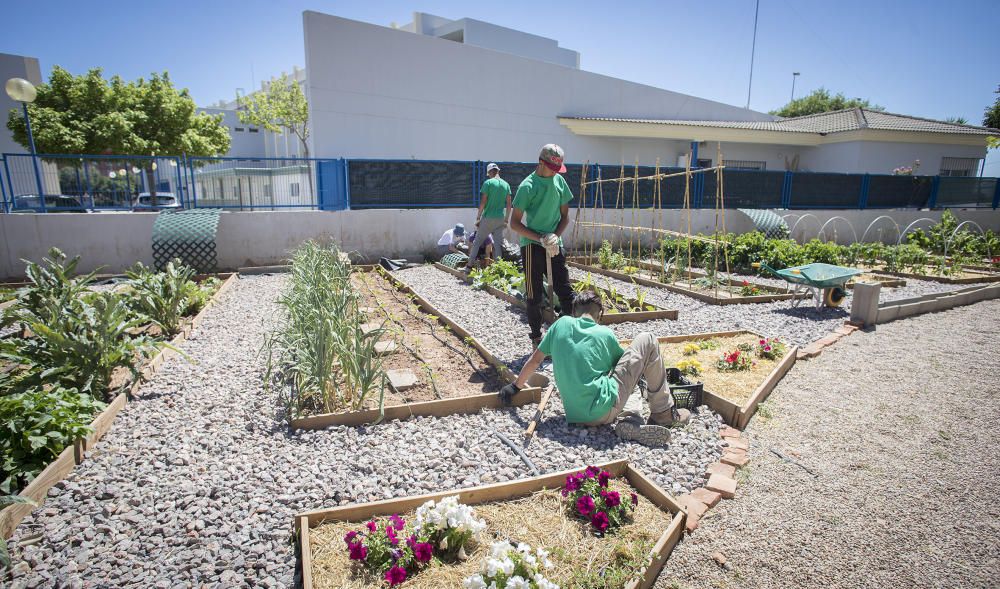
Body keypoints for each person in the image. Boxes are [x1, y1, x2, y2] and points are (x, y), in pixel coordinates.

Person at [498, 291, 691, 447]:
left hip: (575, 415)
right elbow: (624, 370)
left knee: (620, 383)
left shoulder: (559, 325)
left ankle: (631, 420)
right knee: (647, 339)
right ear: (600, 315)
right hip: (602, 412)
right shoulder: (605, 334)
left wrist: (515, 387)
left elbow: (534, 361)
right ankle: (662, 413)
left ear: (574, 312)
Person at [509, 144, 575, 349]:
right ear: (540, 162)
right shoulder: (527, 186)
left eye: (558, 169)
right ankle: (537, 337)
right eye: (552, 168)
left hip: (554, 243)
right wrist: (540, 238)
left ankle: (568, 334)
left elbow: (565, 217)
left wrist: (554, 236)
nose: (556, 172)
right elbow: (515, 223)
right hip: (531, 245)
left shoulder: (559, 182)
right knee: (534, 295)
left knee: (565, 290)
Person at [467, 163, 511, 270]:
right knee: (497, 245)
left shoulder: (488, 183)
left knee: (477, 242)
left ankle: (469, 266)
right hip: (500, 218)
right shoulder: (506, 185)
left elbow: (483, 202)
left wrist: (478, 217)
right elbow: (509, 205)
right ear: (498, 171)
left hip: (488, 218)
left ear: (490, 172)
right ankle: (499, 270)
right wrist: (506, 220)